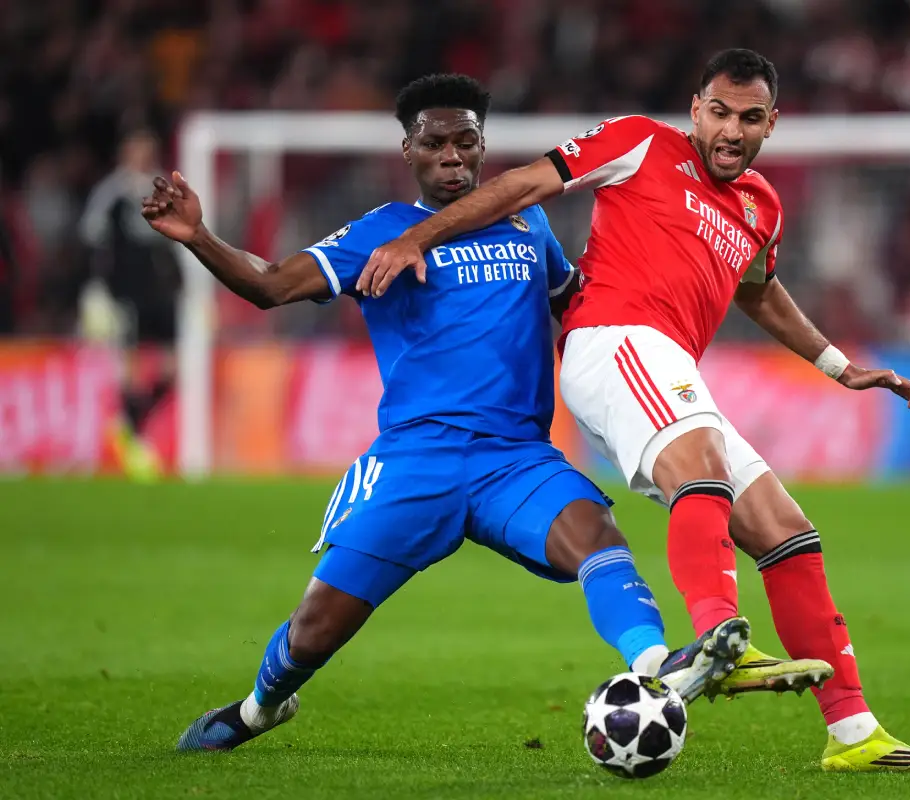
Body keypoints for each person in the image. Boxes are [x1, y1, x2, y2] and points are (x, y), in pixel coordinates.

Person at [357, 52, 910, 772]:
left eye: (749, 118)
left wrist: (838, 364)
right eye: (719, 112)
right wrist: (414, 237)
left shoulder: (761, 205)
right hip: (613, 340)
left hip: (669, 361)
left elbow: (758, 290)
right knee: (700, 465)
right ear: (696, 106)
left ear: (772, 123)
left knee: (786, 531)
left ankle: (856, 735)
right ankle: (716, 642)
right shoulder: (640, 140)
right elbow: (522, 186)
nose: (731, 130)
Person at [144, 74, 752, 752]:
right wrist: (198, 235)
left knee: (599, 537)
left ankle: (655, 670)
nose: (453, 157)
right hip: (416, 460)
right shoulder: (382, 232)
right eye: (436, 144)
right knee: (315, 630)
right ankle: (260, 709)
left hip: (515, 458)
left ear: (483, 146)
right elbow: (270, 285)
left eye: (467, 142)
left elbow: (576, 305)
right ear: (409, 150)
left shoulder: (528, 222)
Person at [80, 128, 181, 480]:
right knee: (132, 368)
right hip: (126, 296)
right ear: (124, 154)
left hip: (162, 296)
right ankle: (132, 434)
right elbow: (94, 243)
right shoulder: (111, 194)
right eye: (135, 150)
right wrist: (97, 290)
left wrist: (183, 287)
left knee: (173, 370)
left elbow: (177, 247)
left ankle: (129, 424)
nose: (142, 156)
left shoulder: (166, 191)